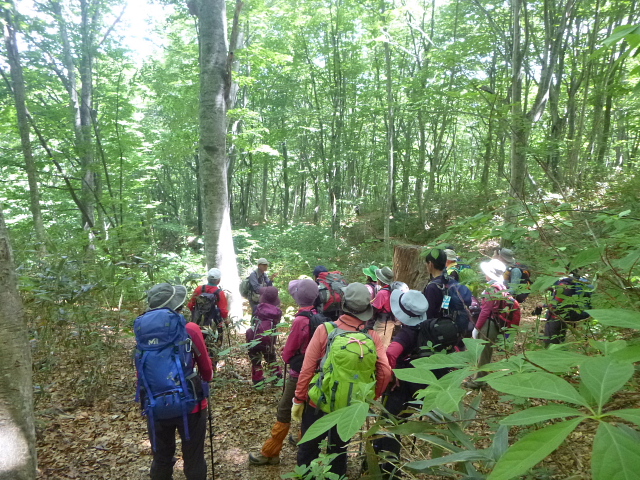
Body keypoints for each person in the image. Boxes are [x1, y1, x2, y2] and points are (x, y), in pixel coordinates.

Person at [291, 283, 392, 477]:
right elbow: (385, 372)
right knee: (338, 450)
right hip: (350, 406)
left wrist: (298, 399)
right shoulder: (371, 337)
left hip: (318, 402)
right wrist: (367, 396)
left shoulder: (325, 330)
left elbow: (307, 370)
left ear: (344, 304)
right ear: (366, 309)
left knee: (308, 448)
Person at [137, 283, 213, 480]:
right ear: (176, 304)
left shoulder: (143, 332)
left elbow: (142, 371)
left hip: (155, 403)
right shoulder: (190, 329)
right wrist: (205, 380)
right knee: (194, 458)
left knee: (161, 459)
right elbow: (206, 370)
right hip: (191, 403)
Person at [248, 279, 320, 466]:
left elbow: (288, 352)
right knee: (308, 408)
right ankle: (301, 437)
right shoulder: (318, 315)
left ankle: (270, 452)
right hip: (315, 372)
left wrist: (286, 355)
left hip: (298, 374)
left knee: (284, 409)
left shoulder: (300, 320)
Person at [372, 289, 440, 479]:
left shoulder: (407, 333)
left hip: (403, 388)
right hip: (423, 385)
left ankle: (389, 471)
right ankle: (377, 462)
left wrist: (391, 376)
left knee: (391, 427)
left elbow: (391, 354)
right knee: (393, 424)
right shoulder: (430, 327)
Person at [465, 259, 520, 389]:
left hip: (488, 325)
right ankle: (482, 378)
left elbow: (485, 311)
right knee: (487, 353)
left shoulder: (491, 288)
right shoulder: (501, 287)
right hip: (495, 324)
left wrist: (476, 328)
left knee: (483, 353)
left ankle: (479, 381)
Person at [542, 268, 594, 346]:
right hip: (571, 314)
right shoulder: (577, 280)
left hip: (558, 316)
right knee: (560, 339)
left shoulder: (565, 283)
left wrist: (544, 305)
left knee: (552, 343)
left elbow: (557, 304)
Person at [246, 286, 282, 386]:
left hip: (254, 338)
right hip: (269, 340)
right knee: (271, 359)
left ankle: (258, 381)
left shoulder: (257, 308)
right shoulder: (278, 312)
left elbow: (253, 322)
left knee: (256, 360)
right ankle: (277, 379)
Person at [187, 268, 229, 348]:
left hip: (198, 322)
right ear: (218, 280)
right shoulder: (219, 293)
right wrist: (227, 320)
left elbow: (190, 305)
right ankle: (213, 359)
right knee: (215, 345)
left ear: (207, 278)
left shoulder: (199, 289)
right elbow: (223, 310)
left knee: (197, 344)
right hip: (214, 324)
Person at [371, 266, 395, 347]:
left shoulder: (382, 293)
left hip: (382, 324)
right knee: (385, 343)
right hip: (390, 322)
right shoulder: (391, 290)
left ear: (380, 280)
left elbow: (375, 309)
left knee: (379, 346)